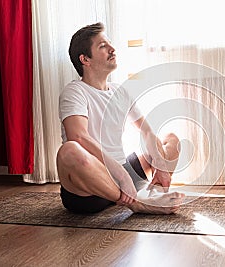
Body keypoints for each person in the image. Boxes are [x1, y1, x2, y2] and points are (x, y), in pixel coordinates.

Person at [57, 22, 185, 214]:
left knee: (171, 139)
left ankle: (153, 194)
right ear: (85, 59)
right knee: (69, 150)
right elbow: (79, 137)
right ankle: (138, 204)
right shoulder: (75, 91)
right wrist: (122, 176)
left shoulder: (120, 90)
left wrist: (161, 166)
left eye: (109, 44)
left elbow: (147, 131)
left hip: (124, 175)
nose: (112, 49)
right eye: (102, 46)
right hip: (91, 188)